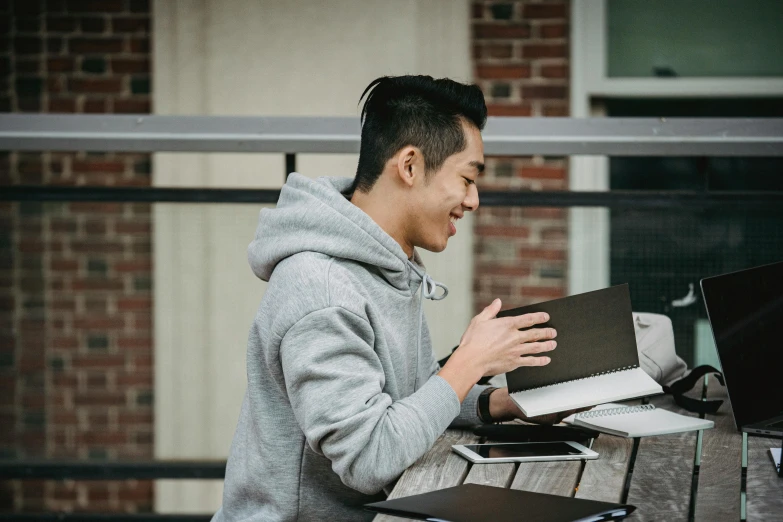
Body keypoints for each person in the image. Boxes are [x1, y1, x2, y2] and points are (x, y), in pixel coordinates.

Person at [212, 75, 571, 522]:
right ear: (409, 166)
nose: (474, 200)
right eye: (467, 178)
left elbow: (407, 403)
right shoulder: (322, 291)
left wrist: (501, 405)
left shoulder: (388, 264)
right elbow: (369, 457)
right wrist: (468, 362)